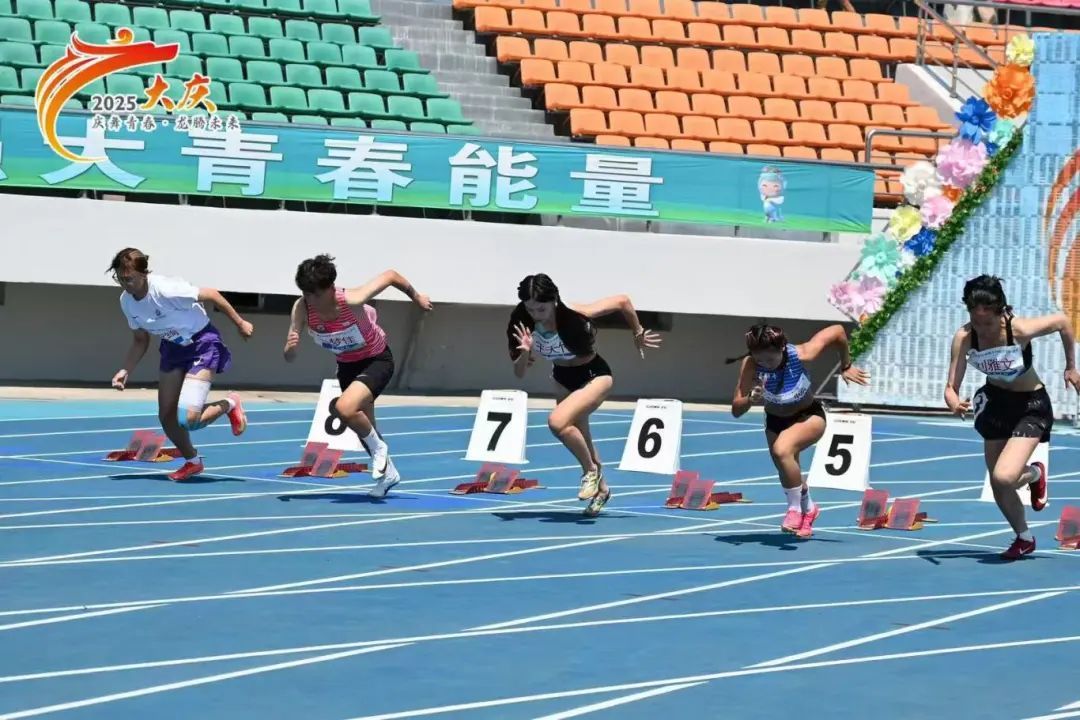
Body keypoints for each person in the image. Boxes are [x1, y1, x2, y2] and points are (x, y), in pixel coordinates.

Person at [945, 274, 1079, 560]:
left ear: (1001, 312)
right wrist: (954, 402)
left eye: (988, 323)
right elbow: (950, 387)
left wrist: (1071, 366)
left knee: (1004, 476)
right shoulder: (965, 337)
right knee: (998, 484)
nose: (983, 328)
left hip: (1030, 405)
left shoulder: (1019, 329)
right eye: (976, 321)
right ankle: (1024, 537)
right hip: (996, 405)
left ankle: (1035, 473)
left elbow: (1062, 322)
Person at [507, 273, 661, 517]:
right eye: (530, 309)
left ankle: (590, 471)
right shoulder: (522, 324)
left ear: (554, 300)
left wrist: (637, 332)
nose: (536, 314)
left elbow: (622, 301)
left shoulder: (575, 313)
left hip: (593, 374)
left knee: (557, 422)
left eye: (541, 309)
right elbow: (519, 373)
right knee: (582, 439)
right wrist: (525, 352)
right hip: (562, 378)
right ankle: (602, 490)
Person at [285, 255, 432, 498]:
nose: (311, 300)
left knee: (344, 408)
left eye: (316, 295)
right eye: (306, 294)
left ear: (331, 288)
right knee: (364, 427)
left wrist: (416, 297)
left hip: (376, 360)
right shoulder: (302, 308)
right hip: (347, 367)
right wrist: (291, 348)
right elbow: (289, 356)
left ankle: (380, 449)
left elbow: (391, 275)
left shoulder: (352, 299)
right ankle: (389, 475)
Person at [109, 248, 252, 482]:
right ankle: (193, 462)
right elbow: (140, 339)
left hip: (202, 344)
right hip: (172, 349)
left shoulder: (166, 290)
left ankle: (230, 403)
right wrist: (126, 369)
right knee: (166, 416)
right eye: (120, 279)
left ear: (143, 273)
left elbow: (212, 294)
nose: (126, 284)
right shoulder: (127, 302)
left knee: (189, 420)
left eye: (129, 278)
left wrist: (240, 322)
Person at [729, 322, 869, 538]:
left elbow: (838, 331)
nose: (765, 364)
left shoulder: (803, 353)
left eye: (770, 359)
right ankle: (809, 510)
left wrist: (846, 365)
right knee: (787, 471)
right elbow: (736, 410)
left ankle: (793, 510)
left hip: (808, 416)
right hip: (775, 422)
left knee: (781, 450)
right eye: (760, 359)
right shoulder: (750, 365)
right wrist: (750, 399)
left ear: (782, 348)